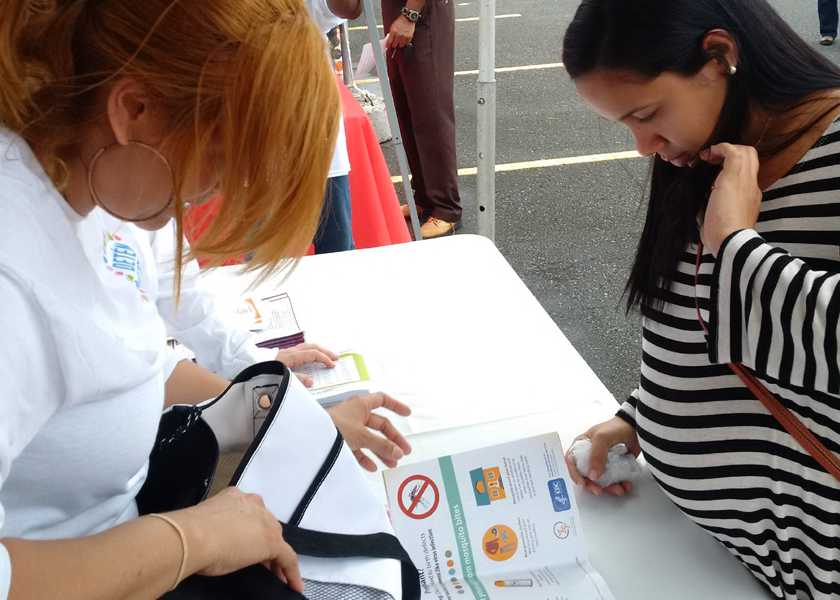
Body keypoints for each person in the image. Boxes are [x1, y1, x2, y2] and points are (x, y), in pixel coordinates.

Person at [0, 0, 354, 596]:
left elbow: (126, 360)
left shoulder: (87, 185)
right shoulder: (13, 284)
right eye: (220, 160)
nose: (214, 190)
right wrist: (195, 539)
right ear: (134, 111)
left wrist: (272, 410)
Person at [561, 1, 840, 598]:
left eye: (648, 114)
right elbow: (696, 326)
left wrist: (737, 246)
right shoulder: (712, 151)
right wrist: (640, 417)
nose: (642, 145)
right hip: (718, 556)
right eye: (625, 125)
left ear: (720, 55)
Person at [383, 0, 462, 238]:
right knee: (407, 110)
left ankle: (447, 208)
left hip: (421, 14)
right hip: (399, 12)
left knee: (431, 113)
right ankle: (425, 198)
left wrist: (410, 15)